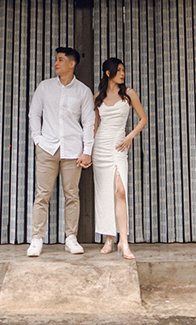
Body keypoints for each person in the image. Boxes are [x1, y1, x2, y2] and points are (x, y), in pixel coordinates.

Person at [27, 46, 94, 257]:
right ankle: (37, 239)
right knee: (42, 195)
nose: (56, 63)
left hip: (73, 150)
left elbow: (89, 122)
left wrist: (87, 151)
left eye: (60, 60)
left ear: (72, 64)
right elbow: (34, 114)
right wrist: (38, 140)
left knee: (72, 195)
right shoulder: (45, 87)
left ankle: (71, 238)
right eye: (56, 59)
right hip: (47, 148)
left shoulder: (83, 91)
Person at [92, 57, 148, 260]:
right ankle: (109, 237)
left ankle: (124, 241)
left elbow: (143, 119)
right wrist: (87, 151)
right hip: (101, 148)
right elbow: (94, 127)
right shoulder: (97, 97)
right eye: (119, 70)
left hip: (118, 146)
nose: (122, 73)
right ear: (108, 73)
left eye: (124, 70)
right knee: (105, 193)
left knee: (120, 190)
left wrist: (130, 136)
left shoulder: (129, 94)